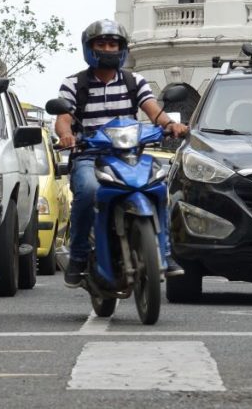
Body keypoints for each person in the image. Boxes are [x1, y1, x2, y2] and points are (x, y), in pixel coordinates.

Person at [55, 19, 189, 287]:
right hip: (90, 155)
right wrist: (66, 135)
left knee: (159, 189)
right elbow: (63, 118)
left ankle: (164, 253)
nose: (108, 49)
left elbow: (153, 111)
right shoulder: (74, 83)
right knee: (89, 192)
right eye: (101, 44)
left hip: (130, 155)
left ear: (122, 49)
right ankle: (79, 256)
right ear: (89, 48)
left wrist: (171, 125)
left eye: (113, 44)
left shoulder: (133, 81)